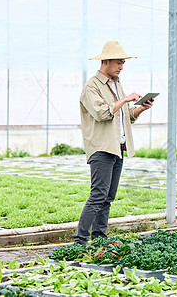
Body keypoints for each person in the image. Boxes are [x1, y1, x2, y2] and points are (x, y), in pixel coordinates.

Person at [73, 41, 154, 245]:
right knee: (98, 195)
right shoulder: (92, 86)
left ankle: (100, 238)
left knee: (108, 197)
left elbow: (125, 116)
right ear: (106, 61)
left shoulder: (116, 85)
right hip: (101, 148)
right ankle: (79, 240)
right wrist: (125, 99)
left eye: (123, 63)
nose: (121, 67)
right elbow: (101, 113)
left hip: (117, 147)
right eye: (119, 62)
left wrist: (140, 108)